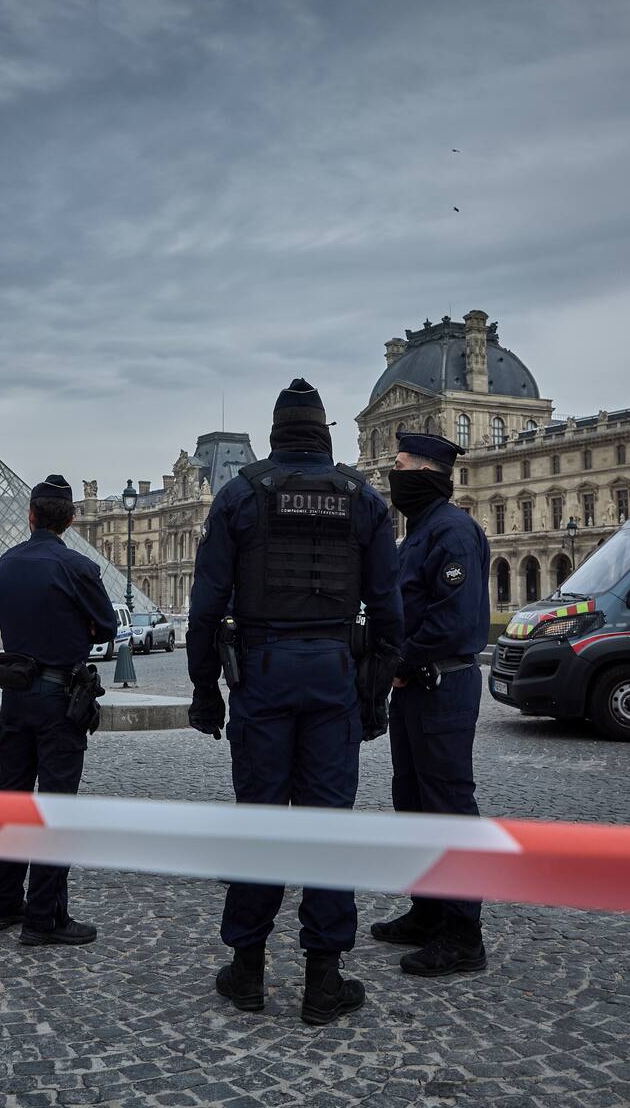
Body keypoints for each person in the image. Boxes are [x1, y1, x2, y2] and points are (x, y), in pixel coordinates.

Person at [188, 379, 403, 1024]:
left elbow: (205, 609)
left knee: (259, 821)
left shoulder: (241, 495)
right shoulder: (362, 499)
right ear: (326, 432)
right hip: (335, 669)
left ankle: (248, 971)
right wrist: (374, 691)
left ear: (276, 432)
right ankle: (323, 980)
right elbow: (389, 611)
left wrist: (204, 689)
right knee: (328, 824)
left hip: (262, 671)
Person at [370, 432, 490, 976]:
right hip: (418, 688)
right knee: (413, 802)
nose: (393, 475)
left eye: (399, 466)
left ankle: (464, 935)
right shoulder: (420, 532)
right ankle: (427, 910)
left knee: (448, 808)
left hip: (441, 685)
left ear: (425, 472)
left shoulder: (453, 532)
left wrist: (400, 659)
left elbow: (456, 622)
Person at [0, 474, 118, 946]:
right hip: (60, 697)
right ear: (72, 519)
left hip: (13, 695)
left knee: (13, 801)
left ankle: (2, 905)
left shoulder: (6, 563)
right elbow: (105, 627)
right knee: (54, 807)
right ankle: (44, 918)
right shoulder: (77, 566)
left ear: (30, 514)